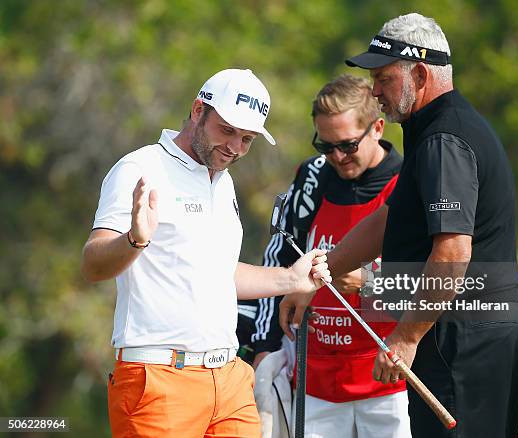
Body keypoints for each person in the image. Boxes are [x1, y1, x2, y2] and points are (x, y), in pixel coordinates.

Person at [279, 13, 518, 438]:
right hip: (471, 335)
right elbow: (389, 218)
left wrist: (405, 337)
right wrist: (319, 275)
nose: (374, 91)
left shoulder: (442, 139)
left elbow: (453, 252)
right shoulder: (433, 128)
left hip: (464, 339)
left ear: (419, 73)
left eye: (383, 78)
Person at [81, 68, 331, 438]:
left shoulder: (222, 179)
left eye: (247, 139)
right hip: (160, 380)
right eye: (227, 130)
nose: (235, 147)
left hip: (228, 379)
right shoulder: (141, 168)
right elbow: (93, 264)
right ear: (199, 110)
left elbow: (219, 273)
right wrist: (134, 239)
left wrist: (290, 278)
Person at [240, 75, 410, 437]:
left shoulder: (408, 184)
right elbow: (279, 259)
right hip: (314, 382)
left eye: (347, 146)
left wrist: (367, 284)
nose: (336, 157)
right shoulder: (312, 179)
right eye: (325, 145)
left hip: (387, 382)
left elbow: (438, 284)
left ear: (377, 128)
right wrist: (265, 348)